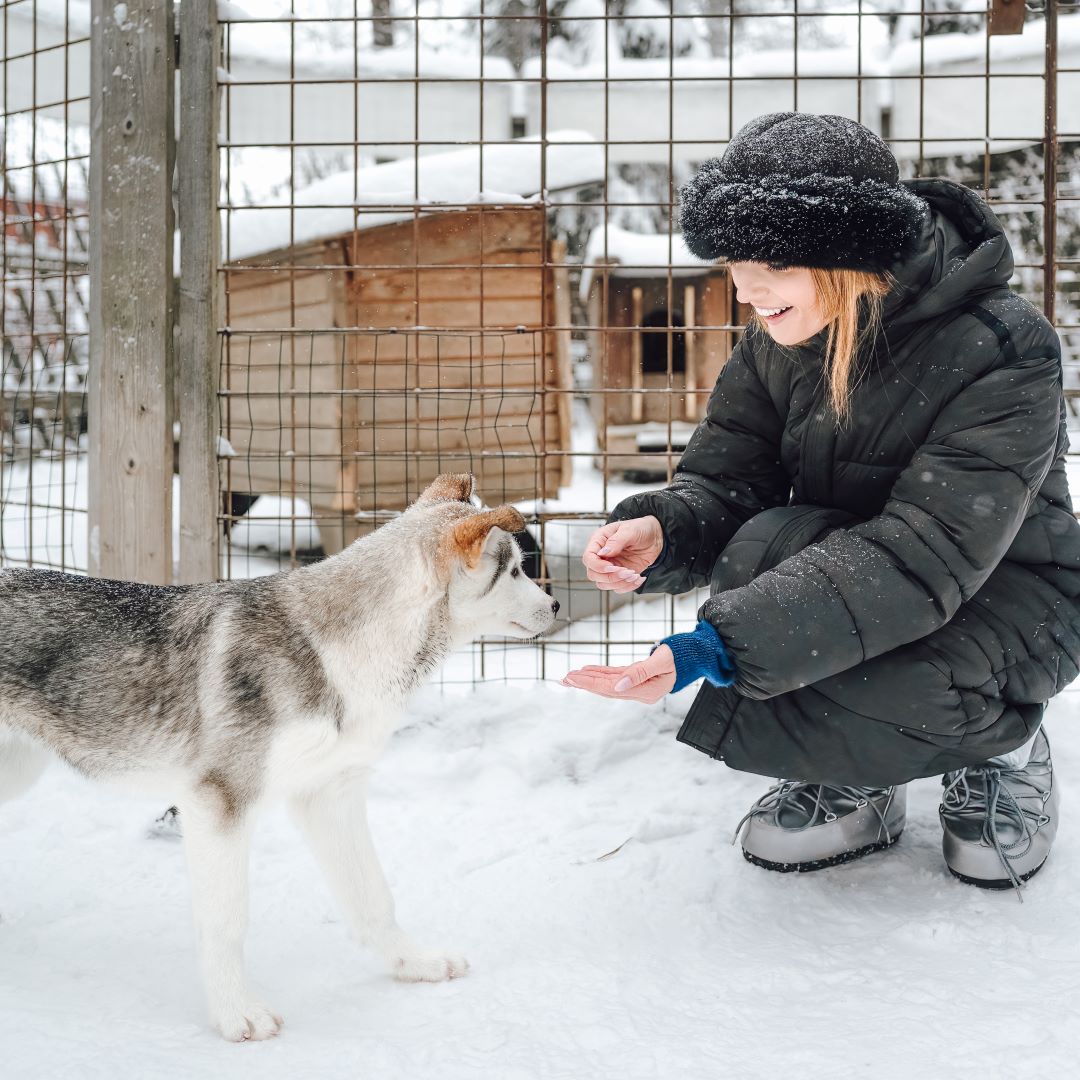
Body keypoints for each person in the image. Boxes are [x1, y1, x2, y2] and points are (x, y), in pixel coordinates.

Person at [562, 112, 1080, 894]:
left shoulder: (1003, 348)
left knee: (862, 636)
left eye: (773, 259)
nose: (745, 286)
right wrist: (663, 533)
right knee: (766, 549)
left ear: (852, 251)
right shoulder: (780, 339)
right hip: (868, 578)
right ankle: (856, 772)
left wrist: (708, 649)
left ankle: (1000, 747)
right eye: (735, 258)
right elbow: (732, 487)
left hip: (1009, 600)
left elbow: (921, 554)